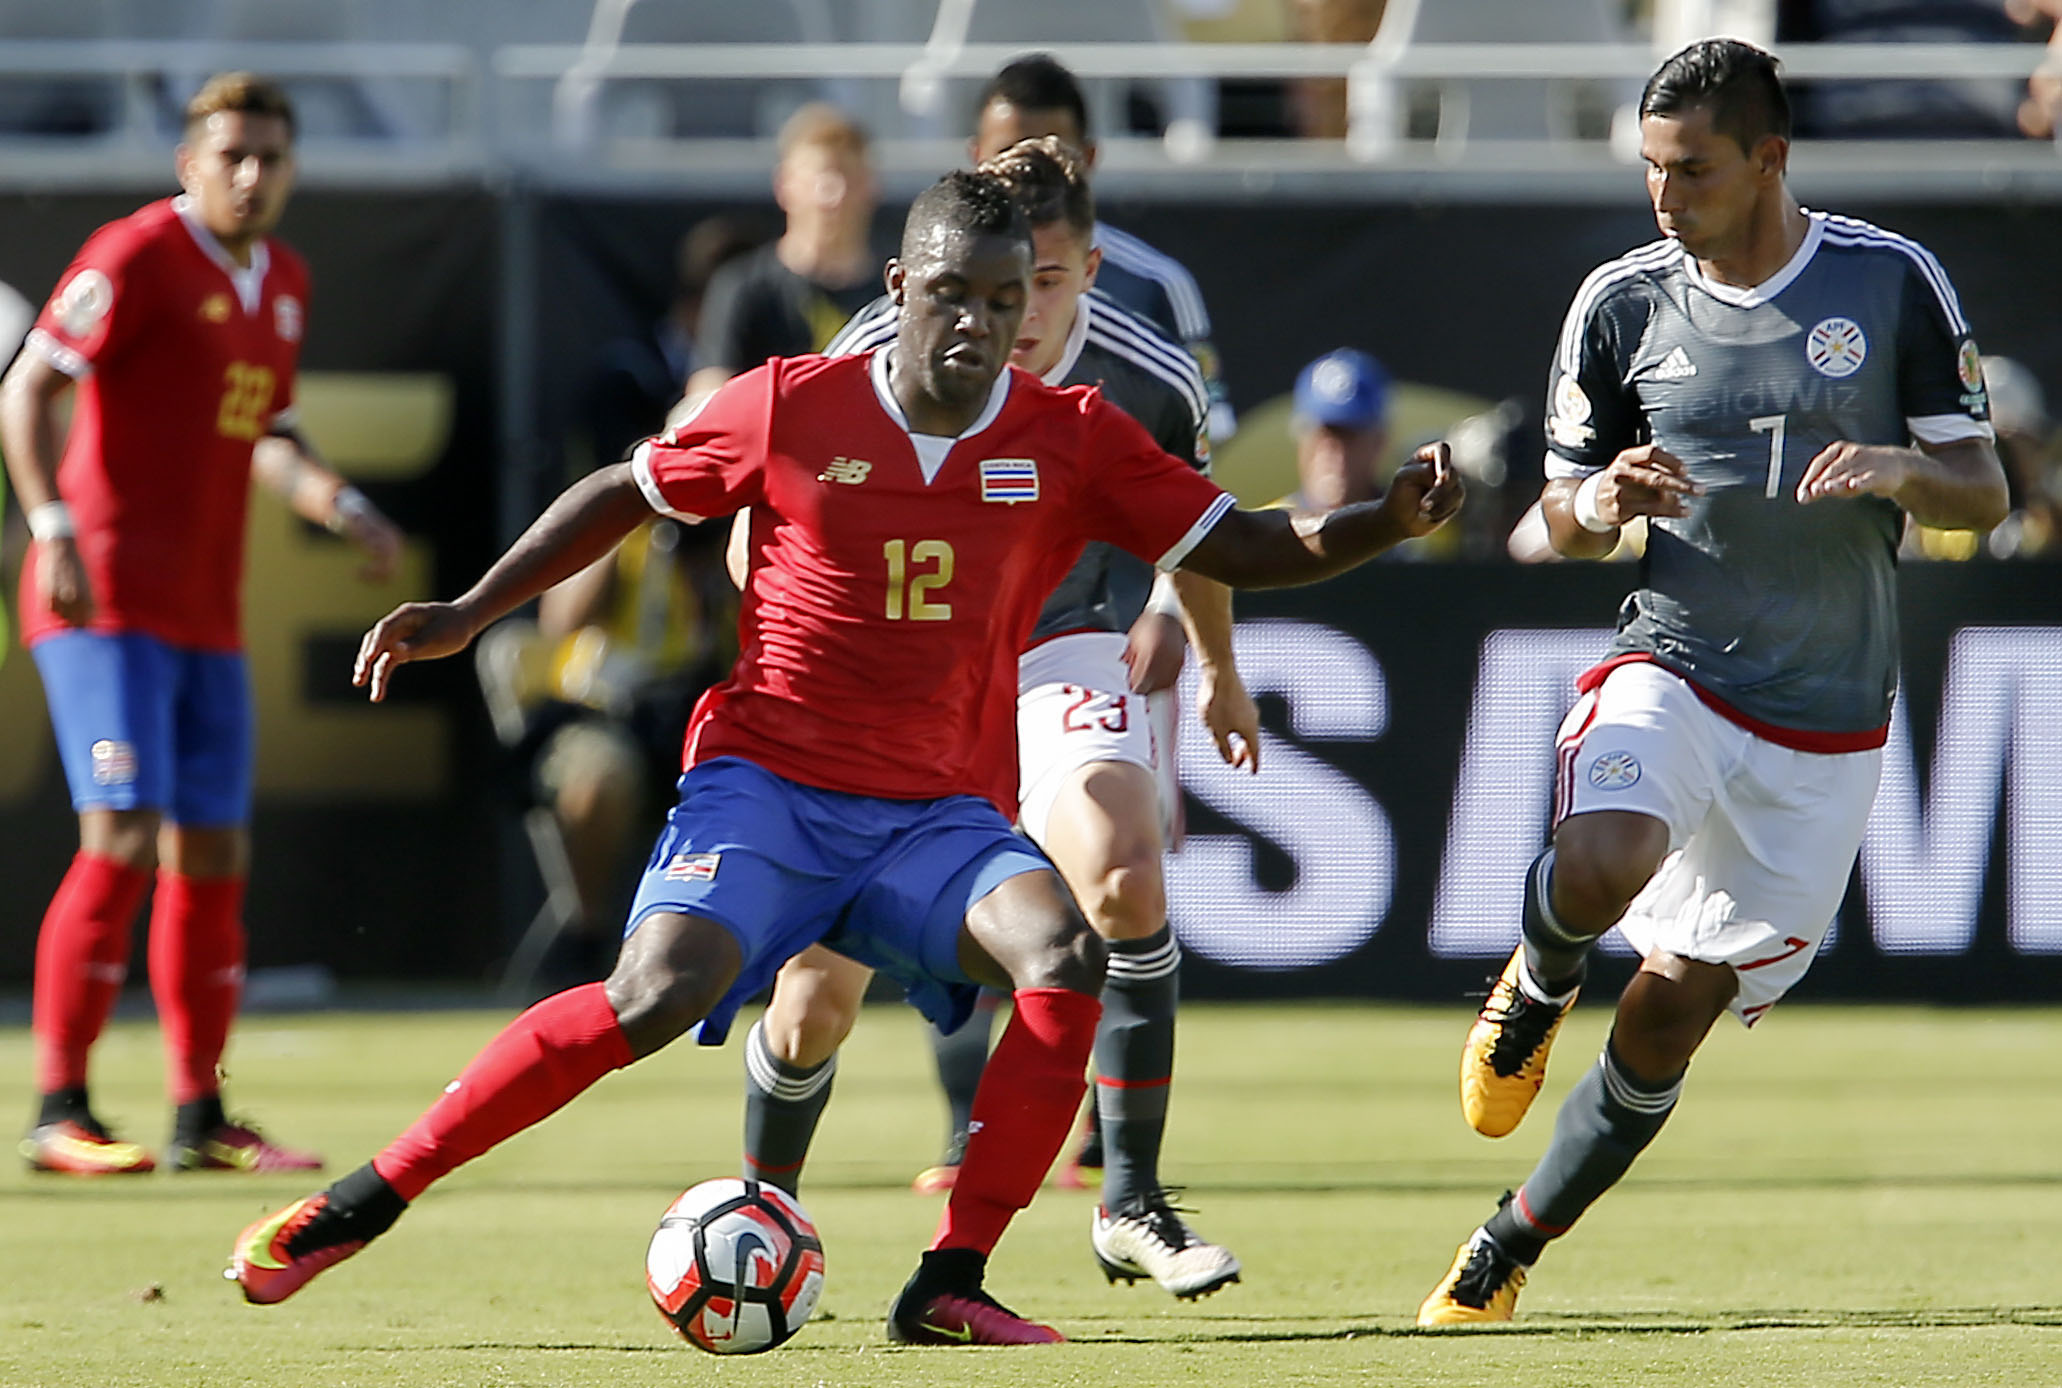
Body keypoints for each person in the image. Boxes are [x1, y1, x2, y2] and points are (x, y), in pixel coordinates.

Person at [228, 168, 1461, 1345]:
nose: (980, 320)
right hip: (767, 790)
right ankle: (371, 1193)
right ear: (899, 283)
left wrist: (1384, 520)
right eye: (951, 293)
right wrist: (469, 612)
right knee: (653, 996)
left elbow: (1243, 545)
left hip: (934, 816)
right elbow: (624, 489)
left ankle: (951, 1278)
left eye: (1006, 293)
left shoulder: (1072, 434)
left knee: (1067, 950)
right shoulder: (790, 401)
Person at [1418, 39, 2006, 1327]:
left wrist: (1902, 470)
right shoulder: (1622, 300)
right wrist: (1594, 499)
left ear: (1768, 159)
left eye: (1689, 170)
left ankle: (1509, 1242)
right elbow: (1545, 526)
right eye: (1648, 168)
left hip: (1828, 715)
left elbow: (1985, 486)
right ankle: (1534, 974)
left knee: (1673, 1008)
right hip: (1673, 656)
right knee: (1600, 856)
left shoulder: (1889, 280)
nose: (1662, 197)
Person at [740, 138, 1256, 1300]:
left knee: (1124, 876)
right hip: (895, 673)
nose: (1010, 318)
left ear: (1079, 266)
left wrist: (1217, 665)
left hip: (1057, 642)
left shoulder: (1148, 376)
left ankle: (1130, 1199)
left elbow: (1203, 528)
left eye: (1044, 284)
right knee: (816, 996)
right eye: (980, 288)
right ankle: (762, 1200)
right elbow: (768, 506)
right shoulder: (875, 351)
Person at [0, 72, 403, 1177]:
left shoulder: (284, 280)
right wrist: (52, 526)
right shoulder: (131, 254)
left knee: (215, 855)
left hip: (206, 617)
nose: (250, 174)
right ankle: (58, 1107)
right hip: (103, 603)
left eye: (269, 156)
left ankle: (197, 1114)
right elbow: (26, 387)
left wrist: (342, 503)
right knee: (122, 836)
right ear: (190, 163)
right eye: (230, 154)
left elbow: (267, 428)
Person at [972, 54, 1237, 443]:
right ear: (976, 157)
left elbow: (1201, 427)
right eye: (1008, 155)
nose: (1030, 176)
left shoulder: (1157, 284)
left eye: (1048, 282)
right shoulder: (930, 287)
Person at [680, 104, 881, 404]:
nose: (834, 195)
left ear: (871, 185)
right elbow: (707, 398)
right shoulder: (743, 286)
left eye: (849, 177)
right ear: (785, 185)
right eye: (821, 178)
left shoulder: (893, 296)